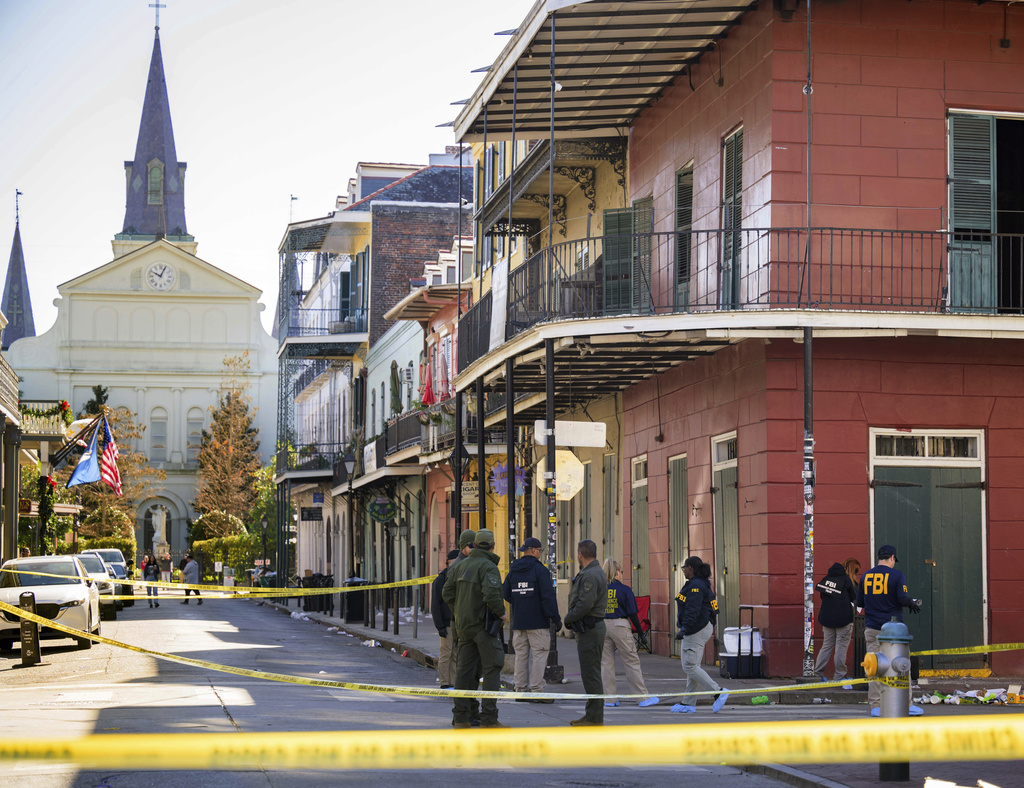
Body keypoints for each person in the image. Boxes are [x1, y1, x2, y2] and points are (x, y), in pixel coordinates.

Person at [442, 529, 507, 729]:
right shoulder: (488, 566)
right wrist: (502, 613)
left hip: (464, 627)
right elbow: (491, 594)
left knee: (463, 671)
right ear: (493, 546)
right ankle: (489, 718)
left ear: (475, 545)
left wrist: (460, 610)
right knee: (492, 668)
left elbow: (447, 593)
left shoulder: (460, 566)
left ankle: (461, 718)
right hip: (483, 626)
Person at [857, 544, 922, 716]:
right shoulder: (897, 575)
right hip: (894, 633)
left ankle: (876, 705)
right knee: (901, 666)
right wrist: (910, 602)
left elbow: (860, 603)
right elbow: (902, 598)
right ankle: (905, 705)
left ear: (879, 558)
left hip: (872, 628)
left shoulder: (866, 576)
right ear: (892, 558)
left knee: (875, 667)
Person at [502, 536, 560, 702]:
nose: (540, 554)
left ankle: (520, 689)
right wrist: (555, 619)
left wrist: (519, 602)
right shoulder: (540, 570)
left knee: (521, 655)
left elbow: (505, 592)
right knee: (540, 655)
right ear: (534, 551)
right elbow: (548, 598)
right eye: (540, 551)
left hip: (519, 622)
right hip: (538, 623)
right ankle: (537, 690)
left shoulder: (514, 570)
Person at [672, 556, 729, 714]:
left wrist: (685, 628)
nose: (683, 570)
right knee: (693, 666)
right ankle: (688, 703)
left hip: (695, 629)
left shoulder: (696, 585)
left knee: (689, 666)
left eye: (684, 567)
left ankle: (718, 692)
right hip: (699, 628)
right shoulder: (701, 584)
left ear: (690, 568)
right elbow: (713, 606)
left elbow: (693, 609)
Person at [601, 559, 659, 708]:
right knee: (631, 661)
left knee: (606, 664)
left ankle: (610, 699)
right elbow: (633, 613)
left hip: (602, 625)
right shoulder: (625, 590)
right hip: (620, 624)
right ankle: (641, 698)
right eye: (621, 572)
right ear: (617, 573)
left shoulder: (599, 589)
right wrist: (641, 633)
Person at [563, 539, 607, 726]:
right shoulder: (593, 572)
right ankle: (591, 714)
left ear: (580, 554)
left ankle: (594, 718)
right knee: (590, 673)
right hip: (590, 628)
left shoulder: (590, 575)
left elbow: (585, 603)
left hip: (590, 629)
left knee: (591, 674)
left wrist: (569, 618)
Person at [813, 561, 856, 683]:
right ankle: (840, 676)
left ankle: (817, 674)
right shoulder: (846, 580)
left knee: (826, 646)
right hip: (844, 619)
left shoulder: (825, 580)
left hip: (827, 619)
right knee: (841, 647)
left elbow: (822, 597)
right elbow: (854, 596)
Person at [431, 548, 460, 689]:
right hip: (447, 623)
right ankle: (444, 682)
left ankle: (453, 682)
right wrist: (440, 626)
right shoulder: (440, 580)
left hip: (456, 622)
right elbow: (435, 604)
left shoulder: (457, 577)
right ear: (448, 563)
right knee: (446, 654)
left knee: (455, 654)